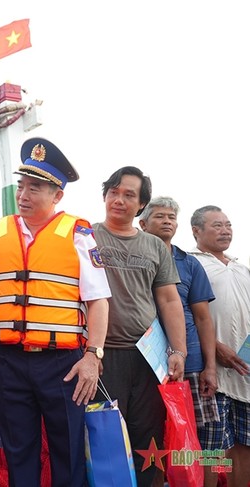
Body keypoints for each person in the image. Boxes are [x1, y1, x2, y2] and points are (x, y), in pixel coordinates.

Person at [0, 138, 111, 487]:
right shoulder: (3, 232)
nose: (24, 195)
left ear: (57, 195)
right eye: (22, 186)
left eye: (35, 188)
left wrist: (93, 355)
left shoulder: (77, 233)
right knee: (18, 449)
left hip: (63, 361)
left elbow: (98, 300)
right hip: (10, 360)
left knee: (67, 447)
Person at [92, 167, 187, 487]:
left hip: (148, 357)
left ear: (141, 203)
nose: (119, 200)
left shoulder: (155, 247)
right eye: (113, 192)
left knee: (148, 440)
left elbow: (170, 301)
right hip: (101, 357)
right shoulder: (86, 237)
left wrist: (178, 351)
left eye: (128, 194)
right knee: (104, 439)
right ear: (104, 196)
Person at [138, 197, 219, 433]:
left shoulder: (190, 264)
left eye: (171, 217)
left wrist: (210, 367)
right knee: (151, 440)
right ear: (143, 224)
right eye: (159, 216)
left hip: (189, 362)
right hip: (144, 362)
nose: (167, 221)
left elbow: (203, 318)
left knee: (197, 441)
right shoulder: (132, 257)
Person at [189, 205, 250, 487]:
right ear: (196, 231)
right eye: (217, 225)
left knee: (244, 446)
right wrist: (214, 347)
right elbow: (185, 316)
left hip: (245, 374)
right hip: (212, 372)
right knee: (213, 450)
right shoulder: (191, 263)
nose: (225, 230)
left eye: (228, 225)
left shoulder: (242, 268)